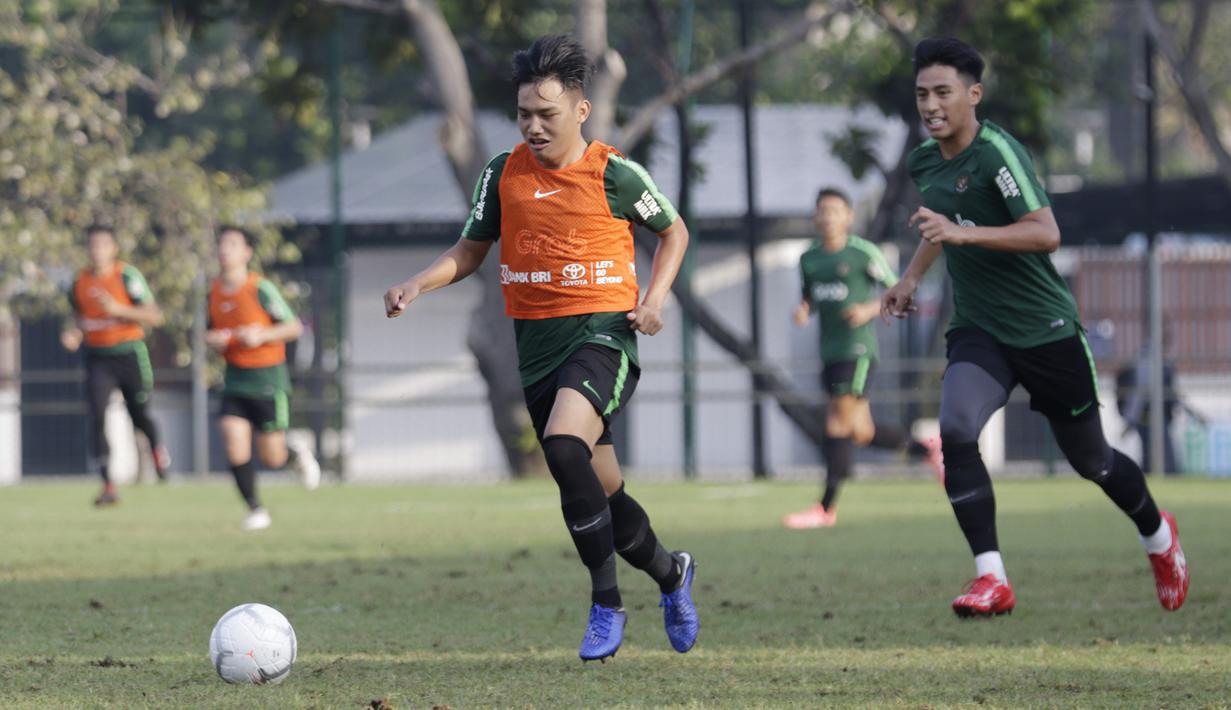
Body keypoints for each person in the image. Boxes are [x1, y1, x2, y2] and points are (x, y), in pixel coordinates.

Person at [384, 34, 698, 662]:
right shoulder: (502, 174)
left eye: (546, 114)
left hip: (605, 337)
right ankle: (671, 574)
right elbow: (470, 251)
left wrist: (655, 299)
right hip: (538, 353)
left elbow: (673, 232)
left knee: (560, 446)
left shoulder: (614, 172)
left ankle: (606, 603)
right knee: (604, 493)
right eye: (524, 113)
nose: (532, 125)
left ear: (580, 110)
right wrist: (418, 282)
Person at [880, 37, 1188, 616]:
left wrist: (963, 233)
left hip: (1046, 330)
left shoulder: (998, 152)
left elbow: (1045, 232)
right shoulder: (924, 160)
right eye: (922, 93)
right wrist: (910, 280)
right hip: (980, 329)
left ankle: (1159, 536)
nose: (930, 105)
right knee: (957, 428)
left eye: (943, 92)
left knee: (1092, 461)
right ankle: (991, 578)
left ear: (974, 94)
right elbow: (939, 229)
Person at [784, 188, 943, 529]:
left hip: (857, 352)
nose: (828, 217)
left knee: (836, 424)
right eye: (822, 210)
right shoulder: (809, 258)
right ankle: (928, 448)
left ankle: (825, 508)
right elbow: (809, 297)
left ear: (848, 216)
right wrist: (803, 310)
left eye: (835, 210)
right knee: (860, 431)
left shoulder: (862, 253)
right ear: (816, 216)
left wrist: (868, 309)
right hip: (829, 351)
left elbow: (897, 290)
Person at [206, 226, 320, 531]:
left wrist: (262, 334)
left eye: (232, 244)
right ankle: (256, 509)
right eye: (221, 243)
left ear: (246, 253)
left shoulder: (260, 289)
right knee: (232, 439)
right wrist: (215, 340)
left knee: (271, 457)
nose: (224, 249)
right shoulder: (213, 292)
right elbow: (211, 330)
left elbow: (294, 327)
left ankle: (294, 454)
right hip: (235, 379)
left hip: (268, 379)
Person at [62, 225, 170, 506]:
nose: (97, 251)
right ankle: (108, 483)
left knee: (139, 413)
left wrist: (118, 310)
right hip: (98, 356)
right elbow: (78, 318)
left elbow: (155, 315)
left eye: (102, 245)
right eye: (92, 245)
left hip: (129, 353)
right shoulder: (80, 281)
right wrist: (74, 333)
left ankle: (157, 450)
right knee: (97, 416)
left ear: (113, 249)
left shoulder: (126, 276)